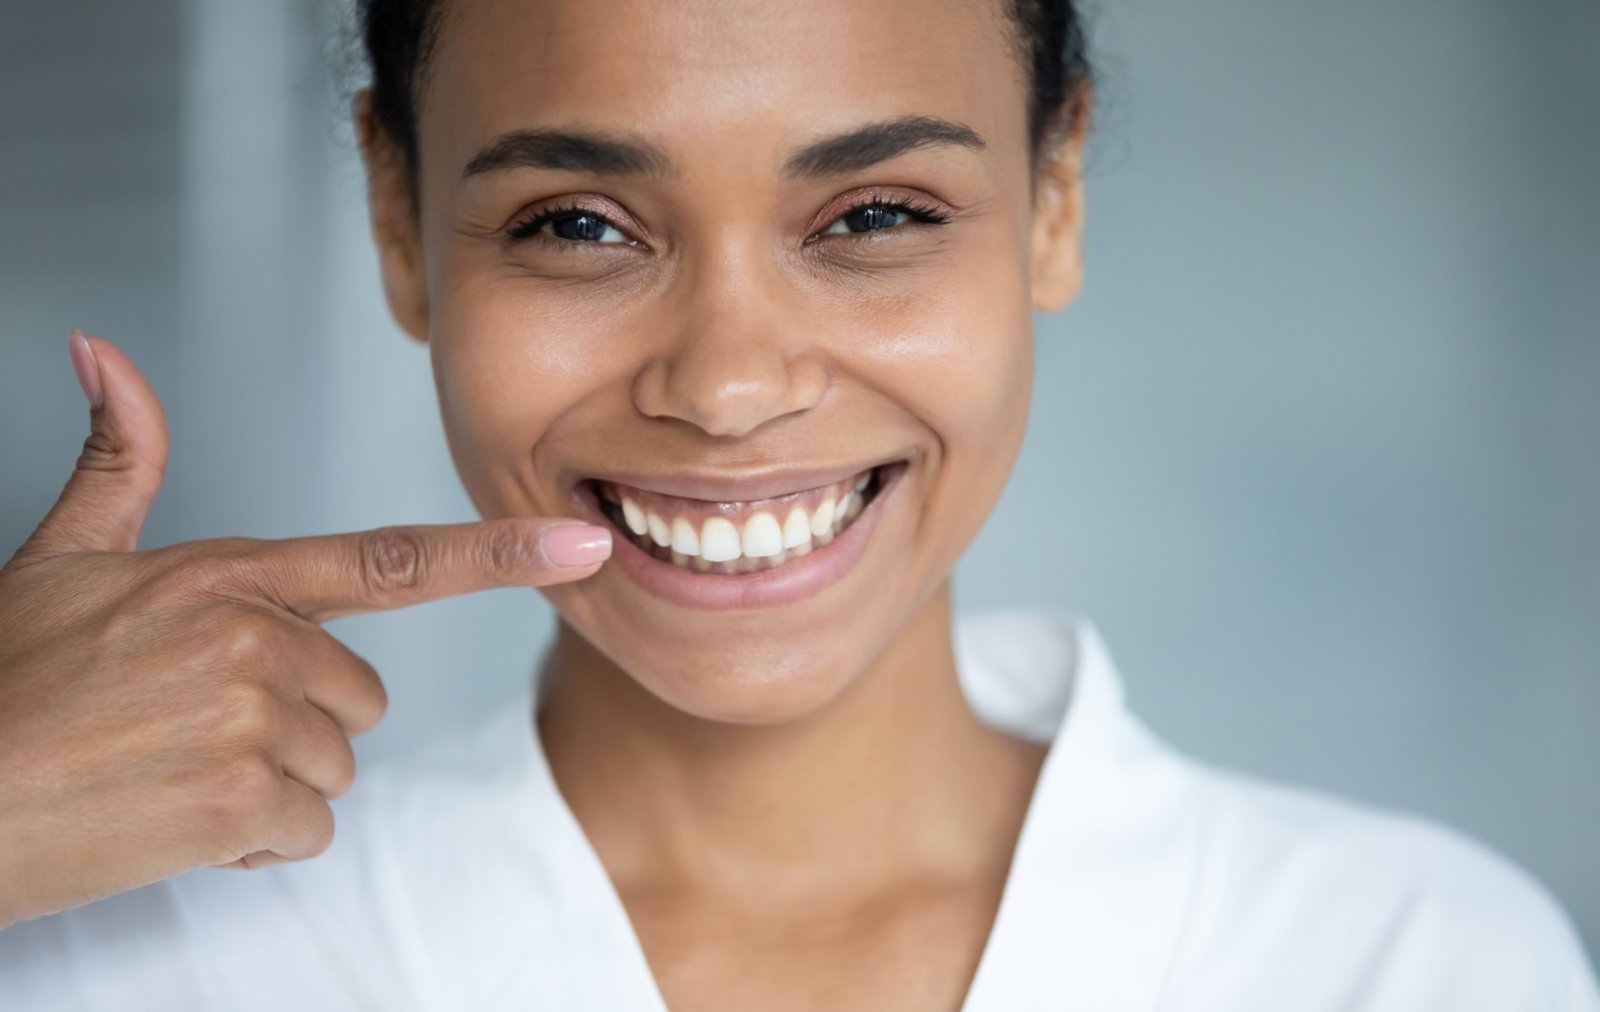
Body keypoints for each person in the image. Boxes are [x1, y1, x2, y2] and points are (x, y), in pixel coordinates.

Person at [0, 0, 1595, 1008]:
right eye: (578, 225)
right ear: (402, 218)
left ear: (1055, 196)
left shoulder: (1420, 963)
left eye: (878, 213)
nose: (730, 381)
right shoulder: (111, 955)